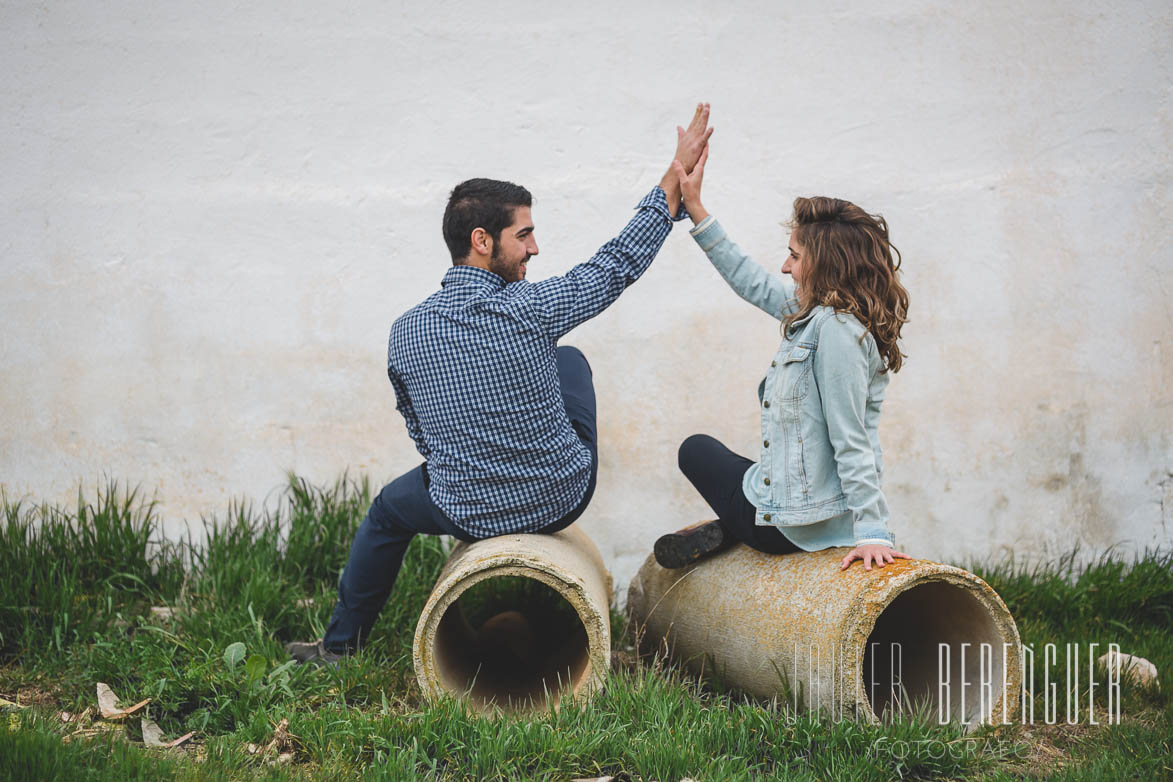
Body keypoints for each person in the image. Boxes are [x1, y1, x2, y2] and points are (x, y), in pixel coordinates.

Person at [286, 104, 714, 666]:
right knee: (569, 360)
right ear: (483, 240)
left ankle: (340, 648)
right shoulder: (532, 307)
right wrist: (670, 185)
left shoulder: (405, 331)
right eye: (525, 234)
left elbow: (420, 428)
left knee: (387, 514)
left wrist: (469, 468)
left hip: (461, 506)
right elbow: (616, 264)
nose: (535, 248)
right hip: (557, 494)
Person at [654, 145, 910, 573]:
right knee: (755, 469)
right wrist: (696, 209)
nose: (785, 266)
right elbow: (751, 281)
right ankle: (733, 521)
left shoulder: (835, 332)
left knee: (695, 450)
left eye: (795, 256)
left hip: (790, 530)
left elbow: (852, 439)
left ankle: (735, 525)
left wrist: (872, 532)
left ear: (824, 266)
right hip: (811, 512)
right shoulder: (823, 314)